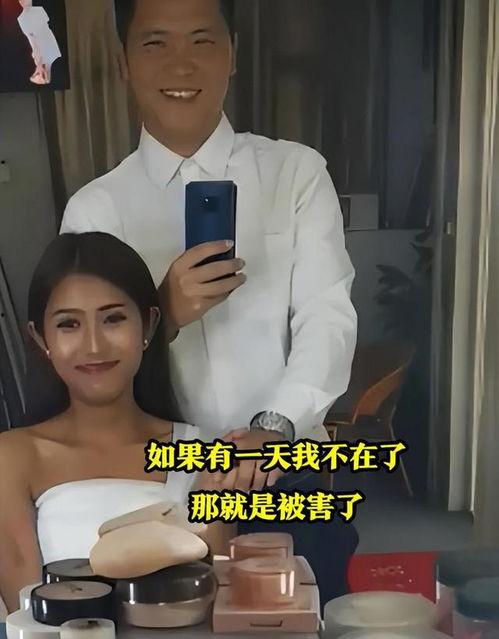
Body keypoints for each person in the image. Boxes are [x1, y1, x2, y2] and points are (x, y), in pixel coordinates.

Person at [60, 0, 358, 495]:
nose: (181, 65)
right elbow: (86, 364)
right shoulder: (95, 210)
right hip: (154, 477)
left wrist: (275, 426)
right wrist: (163, 315)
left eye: (201, 41)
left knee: (306, 550)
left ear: (232, 54)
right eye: (155, 43)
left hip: (284, 467)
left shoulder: (295, 174)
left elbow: (326, 317)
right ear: (123, 62)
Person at [0, 232, 238, 614]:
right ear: (40, 338)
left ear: (149, 325)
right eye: (68, 324)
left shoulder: (204, 452)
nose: (94, 346)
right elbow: (25, 617)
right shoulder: (13, 456)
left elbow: (217, 607)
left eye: (113, 319)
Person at [16, 0, 62, 85]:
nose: (22, 1)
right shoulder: (21, 18)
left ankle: (43, 75)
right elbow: (30, 35)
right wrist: (35, 48)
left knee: (47, 62)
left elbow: (44, 24)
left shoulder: (39, 10)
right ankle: (41, 75)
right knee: (43, 61)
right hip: (37, 41)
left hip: (46, 39)